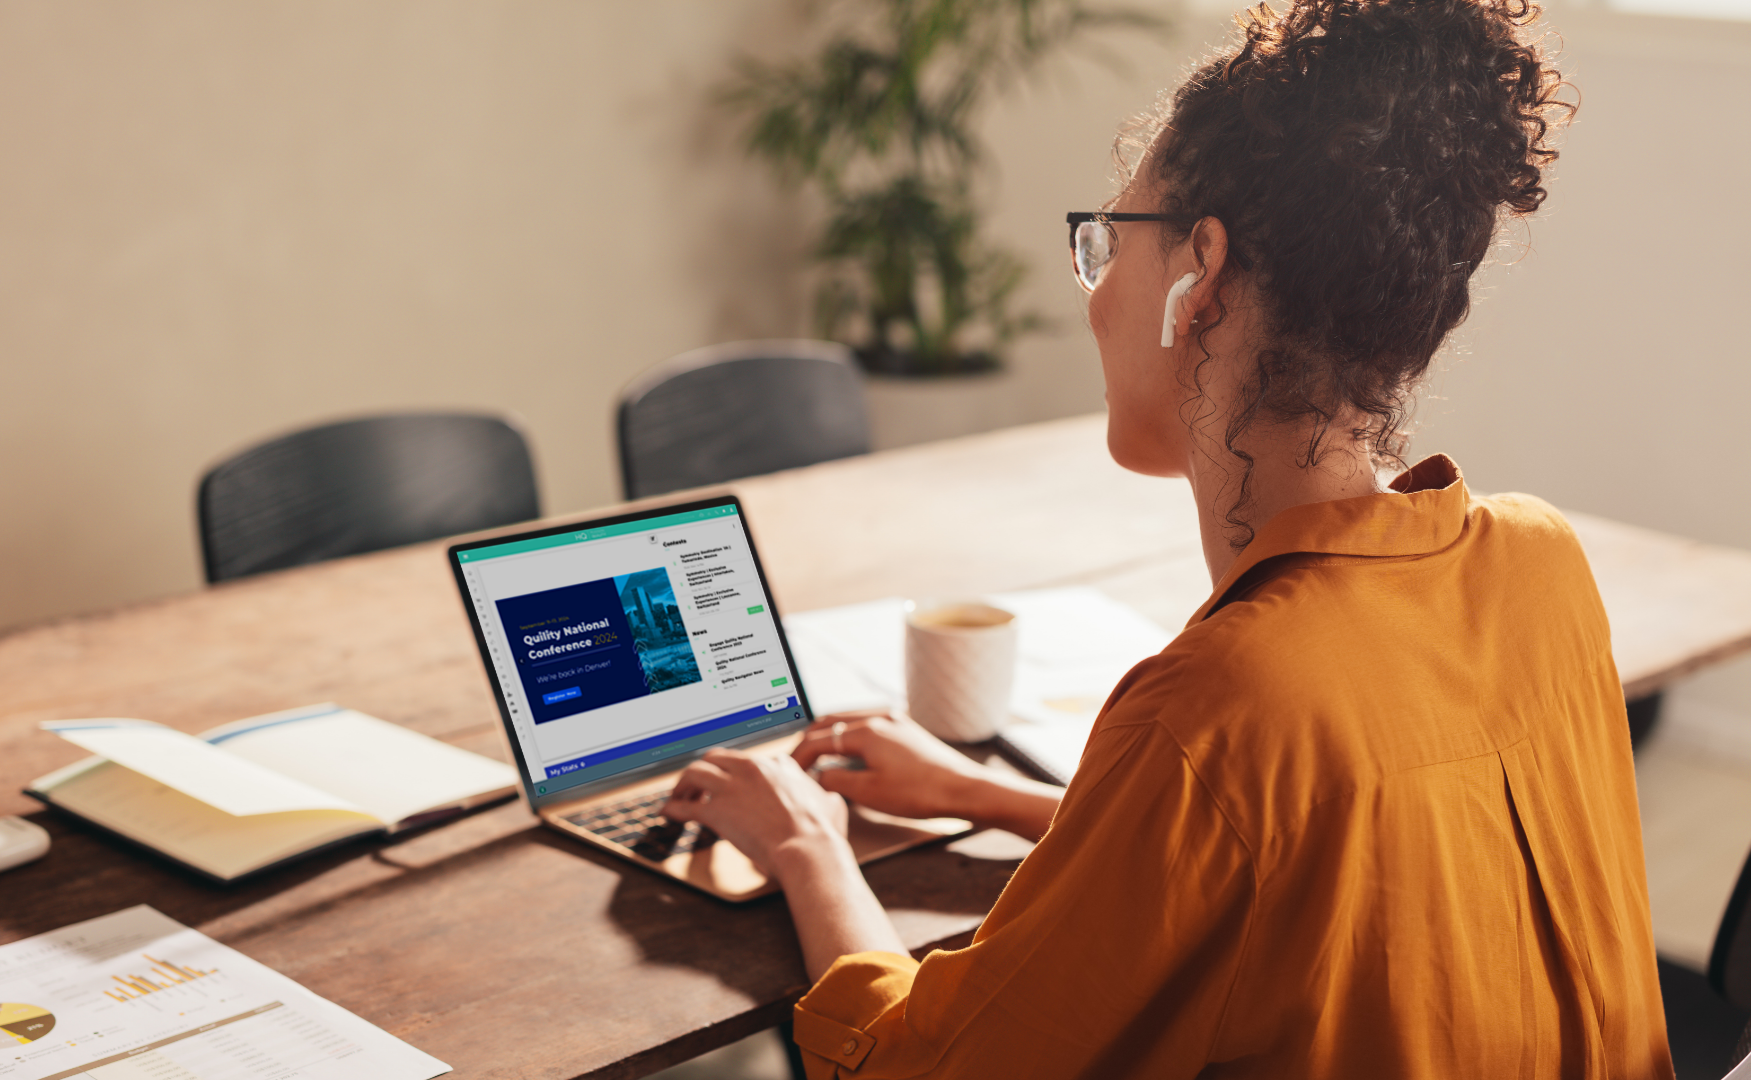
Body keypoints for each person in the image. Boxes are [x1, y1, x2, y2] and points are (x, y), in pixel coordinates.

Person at [662, 0, 1673, 1074]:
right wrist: (982, 796)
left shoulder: (1222, 704)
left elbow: (921, 1065)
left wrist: (807, 846)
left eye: (1106, 245)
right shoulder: (1540, 561)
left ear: (1203, 279)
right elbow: (1309, 872)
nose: (1094, 300)